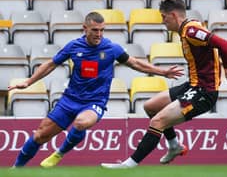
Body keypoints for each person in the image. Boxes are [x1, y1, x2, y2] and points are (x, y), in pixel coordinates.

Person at [9, 11, 184, 168]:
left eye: (102, 30)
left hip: (94, 102)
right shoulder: (73, 46)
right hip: (69, 99)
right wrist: (29, 82)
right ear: (84, 28)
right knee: (40, 136)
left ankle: (59, 154)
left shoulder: (111, 48)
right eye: (95, 30)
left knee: (81, 123)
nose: (99, 34)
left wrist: (162, 72)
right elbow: (50, 64)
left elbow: (135, 63)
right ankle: (16, 170)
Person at [101, 0, 227, 169]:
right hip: (193, 85)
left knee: (157, 122)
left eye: (164, 17)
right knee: (151, 106)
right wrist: (226, 65)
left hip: (203, 92)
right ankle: (174, 145)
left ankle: (129, 164)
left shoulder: (191, 31)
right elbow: (214, 46)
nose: (163, 21)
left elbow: (225, 44)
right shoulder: (189, 28)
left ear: (173, 15)